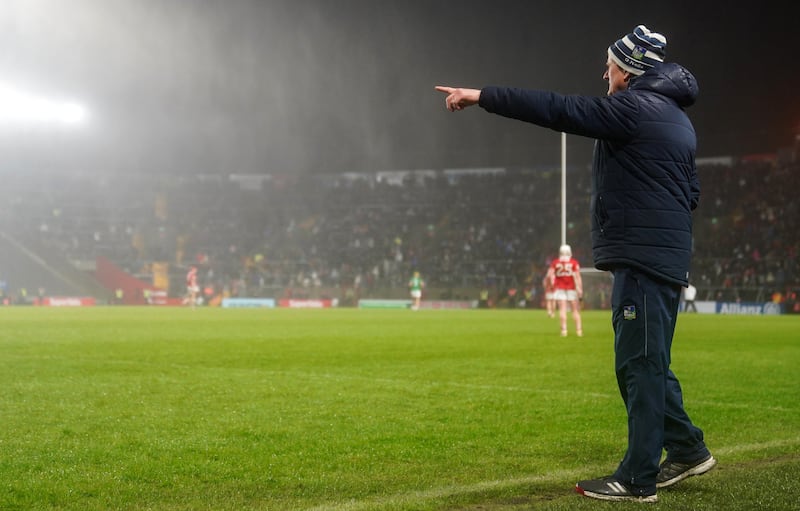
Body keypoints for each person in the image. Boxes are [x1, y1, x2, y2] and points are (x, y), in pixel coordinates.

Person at [436, 24, 715, 503]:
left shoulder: (631, 109)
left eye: (610, 65)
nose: (604, 73)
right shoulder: (676, 119)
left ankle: (638, 478)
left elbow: (556, 108)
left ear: (628, 70)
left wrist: (483, 95)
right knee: (649, 362)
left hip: (645, 259)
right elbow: (691, 192)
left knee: (639, 366)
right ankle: (688, 449)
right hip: (662, 254)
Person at [545, 245, 583, 337]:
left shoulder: (555, 262)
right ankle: (579, 331)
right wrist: (580, 289)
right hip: (572, 289)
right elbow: (577, 277)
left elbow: (549, 275)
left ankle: (564, 331)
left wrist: (550, 285)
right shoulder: (574, 263)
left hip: (560, 288)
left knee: (562, 310)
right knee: (575, 310)